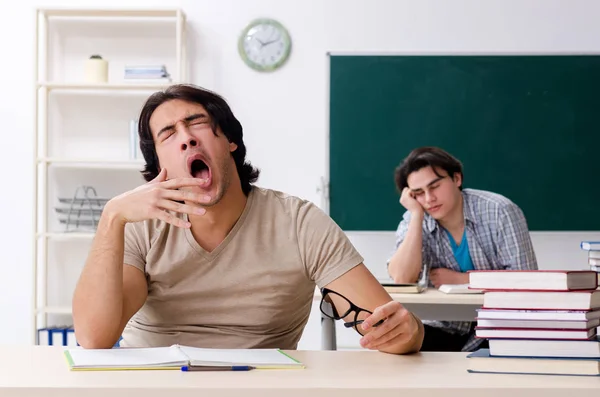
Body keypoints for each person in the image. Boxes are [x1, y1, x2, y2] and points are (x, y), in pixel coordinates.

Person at [72, 84, 424, 354]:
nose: (187, 138)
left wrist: (409, 333)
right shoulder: (140, 226)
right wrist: (112, 217)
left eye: (197, 123)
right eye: (168, 134)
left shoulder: (299, 223)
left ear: (230, 142)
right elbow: (94, 338)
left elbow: (390, 324)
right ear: (158, 164)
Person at [387, 146, 537, 352]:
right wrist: (416, 215)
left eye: (435, 186)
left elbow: (527, 280)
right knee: (402, 350)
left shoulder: (499, 211)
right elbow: (402, 278)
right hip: (446, 325)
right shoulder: (415, 218)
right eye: (419, 193)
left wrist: (464, 280)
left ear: (456, 179)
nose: (429, 198)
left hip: (500, 323)